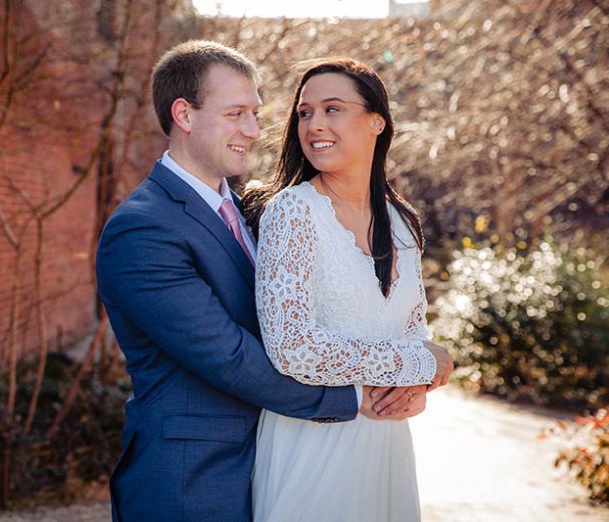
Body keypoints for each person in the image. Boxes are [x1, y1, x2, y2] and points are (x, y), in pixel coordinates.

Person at [96, 42, 430, 521]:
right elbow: (231, 357)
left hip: (275, 455)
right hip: (194, 480)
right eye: (236, 114)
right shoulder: (144, 228)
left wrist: (414, 377)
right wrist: (365, 395)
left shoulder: (248, 210)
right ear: (184, 114)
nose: (253, 132)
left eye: (255, 113)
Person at [243, 58, 454, 521]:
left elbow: (413, 326)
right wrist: (425, 362)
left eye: (332, 109)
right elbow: (292, 349)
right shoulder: (291, 213)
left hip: (386, 442)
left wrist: (417, 385)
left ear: (376, 121)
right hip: (313, 442)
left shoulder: (402, 221)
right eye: (305, 112)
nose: (314, 124)